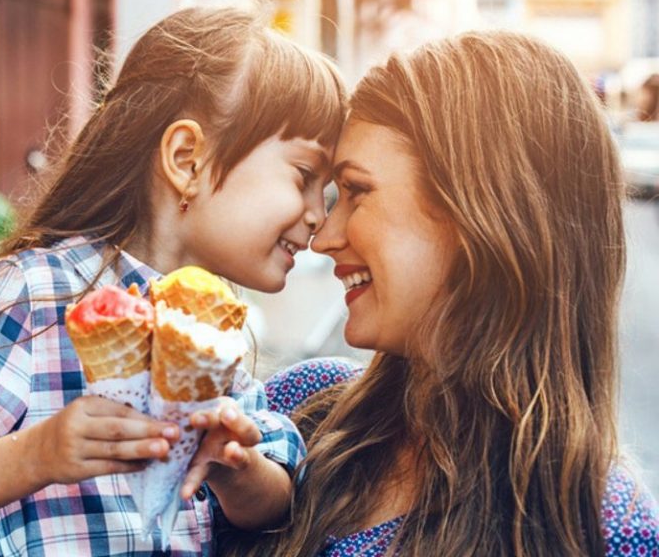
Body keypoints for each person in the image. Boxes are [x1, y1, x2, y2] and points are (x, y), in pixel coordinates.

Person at [0, 5, 347, 556]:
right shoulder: (35, 292)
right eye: (305, 178)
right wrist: (36, 455)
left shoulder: (214, 329)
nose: (319, 216)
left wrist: (237, 468)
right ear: (187, 159)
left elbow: (279, 496)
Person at [226, 31, 659, 556]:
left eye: (357, 191)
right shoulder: (298, 413)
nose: (323, 236)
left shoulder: (602, 527)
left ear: (480, 215)